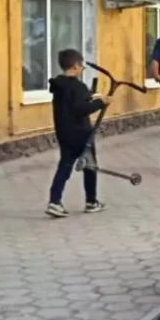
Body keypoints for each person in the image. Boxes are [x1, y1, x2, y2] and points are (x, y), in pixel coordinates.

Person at [46, 48, 111, 218]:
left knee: (65, 166)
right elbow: (81, 109)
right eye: (81, 66)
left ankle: (54, 201)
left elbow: (73, 102)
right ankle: (91, 201)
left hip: (63, 132)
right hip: (81, 133)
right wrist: (101, 103)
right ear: (75, 66)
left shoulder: (59, 85)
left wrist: (92, 96)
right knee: (90, 165)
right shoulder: (78, 86)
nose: (82, 69)